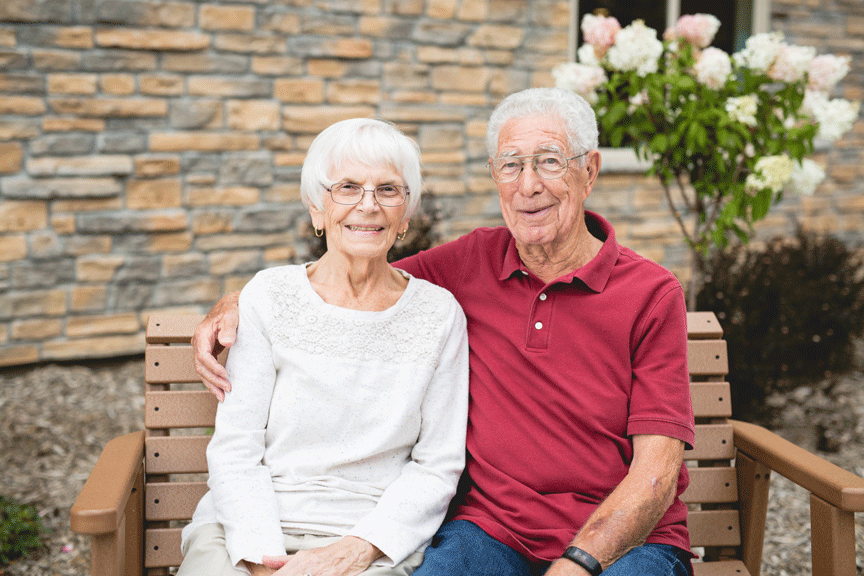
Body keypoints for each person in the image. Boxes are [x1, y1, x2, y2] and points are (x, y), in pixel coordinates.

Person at [193, 88, 695, 576]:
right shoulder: (469, 265)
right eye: (511, 164)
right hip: (494, 533)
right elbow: (355, 274)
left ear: (590, 171)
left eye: (549, 161)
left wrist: (577, 564)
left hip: (625, 546)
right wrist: (237, 303)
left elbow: (655, 475)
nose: (528, 185)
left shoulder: (651, 294)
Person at [178, 118, 469, 576]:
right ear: (316, 208)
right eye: (348, 187)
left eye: (388, 190)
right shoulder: (269, 297)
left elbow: (437, 465)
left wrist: (358, 550)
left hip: (370, 542)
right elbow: (236, 449)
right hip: (246, 528)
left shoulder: (439, 315)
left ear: (406, 214)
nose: (368, 205)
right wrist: (261, 560)